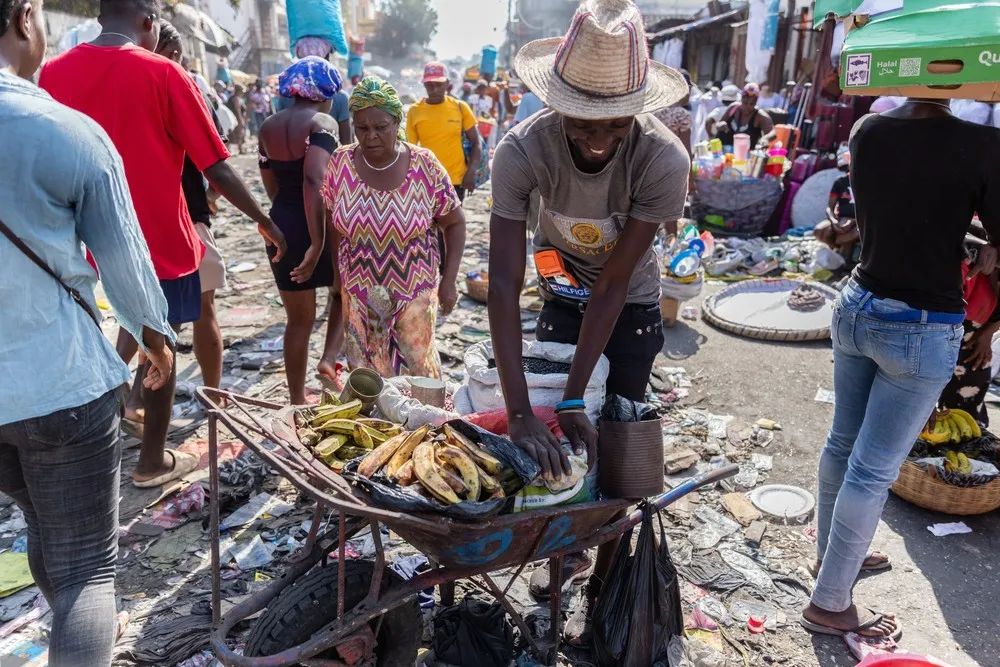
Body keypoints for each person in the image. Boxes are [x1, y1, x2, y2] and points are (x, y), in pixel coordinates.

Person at [489, 0, 690, 643]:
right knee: (551, 438)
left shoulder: (662, 160)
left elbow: (611, 286)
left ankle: (607, 572)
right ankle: (561, 550)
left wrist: (581, 393)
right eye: (581, 123)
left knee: (616, 444)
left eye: (613, 124)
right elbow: (501, 281)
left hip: (627, 301)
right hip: (559, 286)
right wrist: (521, 407)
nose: (597, 139)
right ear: (557, 104)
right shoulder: (521, 150)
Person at [40, 0, 287, 489]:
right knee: (162, 345)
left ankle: (100, 438)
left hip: (79, 239)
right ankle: (152, 460)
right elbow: (215, 165)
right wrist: (265, 220)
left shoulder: (51, 74)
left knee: (103, 338)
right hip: (158, 238)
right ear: (149, 23)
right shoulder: (165, 74)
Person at [0, 0, 174, 663]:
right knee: (86, 576)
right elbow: (129, 273)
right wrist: (157, 342)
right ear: (23, 18)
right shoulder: (64, 132)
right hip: (62, 384)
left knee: (42, 523)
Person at [801, 98, 1000, 640]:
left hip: (858, 305)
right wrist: (983, 250)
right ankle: (831, 602)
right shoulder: (985, 144)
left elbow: (898, 216)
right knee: (872, 469)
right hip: (921, 324)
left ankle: (833, 561)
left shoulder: (866, 129)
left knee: (843, 445)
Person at [320, 77, 467, 379]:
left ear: (396, 122)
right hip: (360, 288)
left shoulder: (424, 165)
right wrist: (337, 277)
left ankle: (422, 423)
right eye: (362, 128)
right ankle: (376, 424)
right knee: (366, 371)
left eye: (380, 127)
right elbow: (332, 219)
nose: (370, 136)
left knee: (417, 368)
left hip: (413, 288)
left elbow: (454, 222)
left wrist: (449, 280)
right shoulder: (341, 163)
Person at [258, 57, 343, 404]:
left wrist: (286, 215)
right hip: (320, 223)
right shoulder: (323, 122)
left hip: (283, 221)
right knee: (341, 295)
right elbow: (315, 178)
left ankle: (295, 401)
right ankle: (328, 358)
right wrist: (317, 241)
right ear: (325, 93)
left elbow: (269, 180)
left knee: (298, 321)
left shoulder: (268, 127)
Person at [156, 20, 227, 398]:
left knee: (149, 316)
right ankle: (212, 397)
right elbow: (216, 163)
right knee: (201, 309)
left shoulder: (131, 85)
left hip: (142, 220)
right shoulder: (187, 88)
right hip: (185, 221)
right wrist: (210, 202)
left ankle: (138, 400)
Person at [406, 61, 482, 201]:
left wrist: (471, 172)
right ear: (424, 85)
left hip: (455, 181)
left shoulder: (460, 107)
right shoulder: (414, 111)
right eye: (430, 85)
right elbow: (410, 150)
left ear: (447, 84)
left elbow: (476, 142)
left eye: (439, 84)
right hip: (427, 181)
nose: (434, 89)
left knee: (453, 223)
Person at [814, 149, 859, 256]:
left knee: (856, 233)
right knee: (819, 231)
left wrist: (853, 221)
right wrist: (834, 221)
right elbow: (830, 207)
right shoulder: (840, 182)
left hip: (858, 222)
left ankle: (842, 256)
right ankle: (836, 249)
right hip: (840, 219)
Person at [706, 82, 774, 148]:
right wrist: (720, 125)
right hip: (724, 151)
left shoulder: (759, 115)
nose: (747, 106)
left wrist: (765, 138)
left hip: (744, 155)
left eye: (751, 104)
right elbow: (719, 123)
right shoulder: (733, 108)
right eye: (745, 103)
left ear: (756, 102)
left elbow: (773, 132)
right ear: (741, 99)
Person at [227, 83, 248, 153]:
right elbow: (238, 110)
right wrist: (241, 120)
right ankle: (240, 149)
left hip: (233, 119)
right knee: (239, 134)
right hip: (236, 119)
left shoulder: (234, 98)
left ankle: (230, 149)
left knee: (233, 134)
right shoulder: (236, 99)